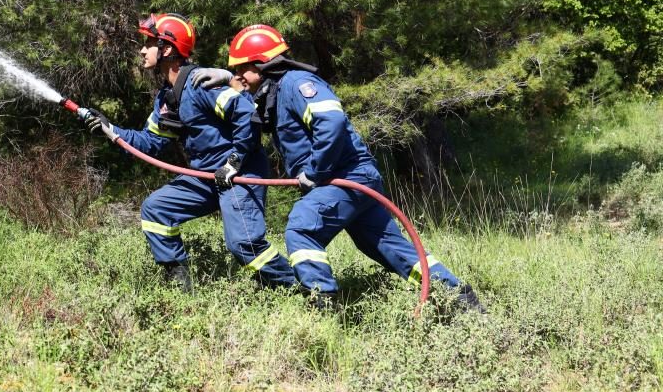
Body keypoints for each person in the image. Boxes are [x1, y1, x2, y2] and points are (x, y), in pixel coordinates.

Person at [194, 24, 485, 311]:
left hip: (345, 177)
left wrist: (315, 172)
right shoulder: (275, 93)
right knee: (389, 248)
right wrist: (226, 81)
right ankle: (463, 300)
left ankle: (323, 305)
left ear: (261, 64)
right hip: (349, 180)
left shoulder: (297, 83)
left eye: (241, 68)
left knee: (301, 229)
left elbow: (330, 122)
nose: (239, 75)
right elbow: (251, 106)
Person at [77, 14, 296, 292]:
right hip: (205, 177)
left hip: (238, 174)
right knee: (156, 210)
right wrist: (111, 130)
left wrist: (234, 162)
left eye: (149, 43)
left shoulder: (201, 83)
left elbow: (245, 116)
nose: (142, 50)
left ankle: (296, 287)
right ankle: (180, 289)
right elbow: (149, 142)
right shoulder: (166, 98)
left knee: (244, 244)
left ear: (167, 49)